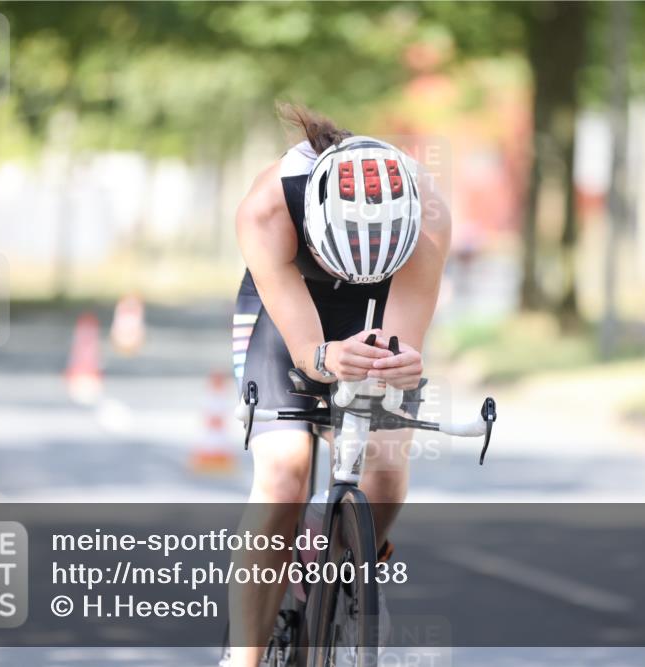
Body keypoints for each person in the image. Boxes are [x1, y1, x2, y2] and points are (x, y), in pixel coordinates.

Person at [227, 103, 451, 666]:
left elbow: (398, 345)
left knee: (386, 470)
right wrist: (324, 358)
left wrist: (396, 366)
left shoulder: (429, 216)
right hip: (286, 314)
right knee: (284, 476)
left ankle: (345, 571)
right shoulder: (268, 207)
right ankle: (245, 656)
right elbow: (306, 351)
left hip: (374, 312)